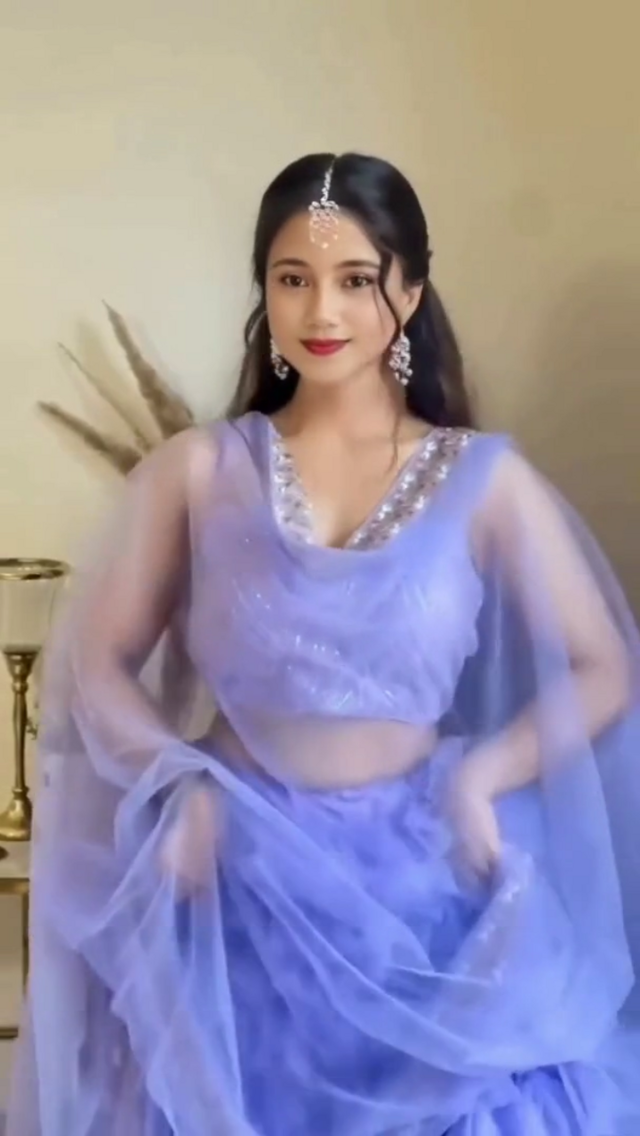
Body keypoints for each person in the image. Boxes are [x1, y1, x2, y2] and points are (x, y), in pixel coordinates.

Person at [7, 152, 640, 1135]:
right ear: (263, 292)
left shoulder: (484, 480)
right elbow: (96, 664)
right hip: (239, 884)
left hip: (426, 891)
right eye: (292, 278)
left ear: (410, 293)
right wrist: (180, 784)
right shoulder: (198, 472)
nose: (321, 309)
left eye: (354, 279)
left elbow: (605, 667)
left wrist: (483, 779)